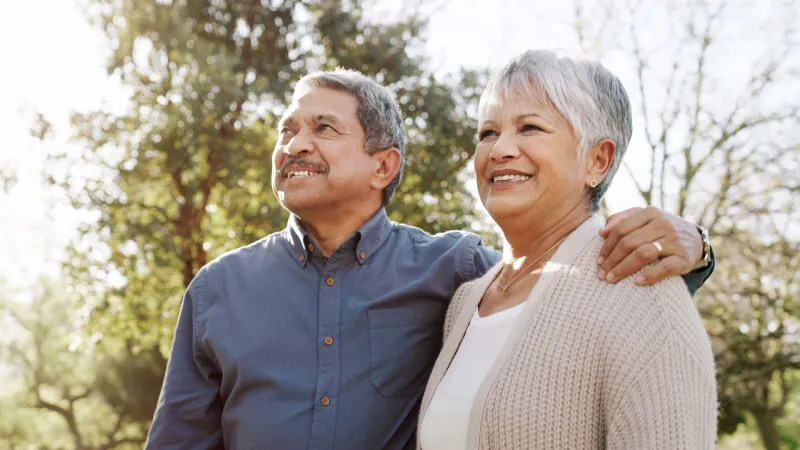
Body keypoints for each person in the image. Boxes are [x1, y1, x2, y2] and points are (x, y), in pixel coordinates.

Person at [145, 68, 715, 449]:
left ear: (383, 166)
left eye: (323, 128)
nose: (294, 145)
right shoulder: (217, 290)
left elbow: (569, 293)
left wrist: (695, 247)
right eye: (287, 130)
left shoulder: (459, 274)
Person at [418, 50, 717, 450]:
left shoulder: (643, 291)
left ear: (598, 160)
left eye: (530, 128)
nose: (499, 149)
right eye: (487, 133)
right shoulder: (466, 301)